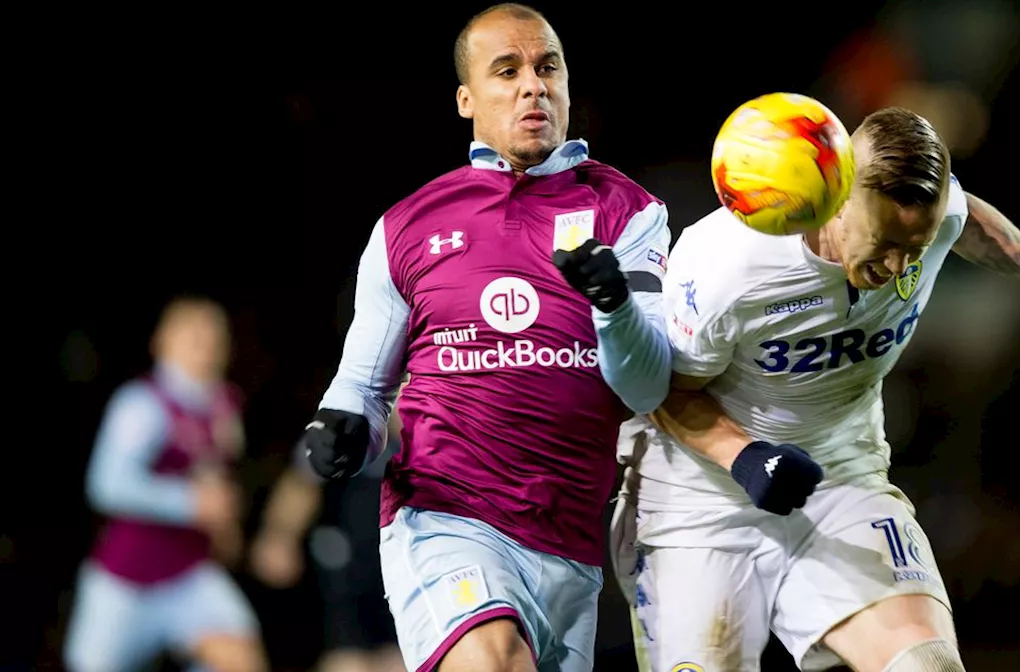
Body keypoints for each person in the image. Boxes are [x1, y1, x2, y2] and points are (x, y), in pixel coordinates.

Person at [612, 107, 1020, 672]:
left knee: (927, 665)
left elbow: (970, 220)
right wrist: (745, 458)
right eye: (885, 242)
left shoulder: (925, 221)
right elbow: (664, 392)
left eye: (914, 248)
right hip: (698, 502)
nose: (896, 266)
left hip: (840, 479)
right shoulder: (728, 264)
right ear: (838, 195)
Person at [298, 4, 673, 672]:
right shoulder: (407, 226)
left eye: (546, 67)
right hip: (446, 517)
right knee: (494, 660)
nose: (533, 85)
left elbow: (646, 387)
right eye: (508, 71)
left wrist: (614, 302)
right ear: (467, 99)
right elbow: (361, 388)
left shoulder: (629, 212)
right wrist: (346, 431)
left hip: (570, 543)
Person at [64, 296, 268, 672]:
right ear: (163, 342)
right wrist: (189, 504)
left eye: (214, 337)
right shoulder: (142, 403)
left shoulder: (224, 404)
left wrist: (224, 525)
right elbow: (106, 484)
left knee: (241, 659)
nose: (205, 346)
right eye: (193, 335)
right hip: (127, 579)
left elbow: (217, 476)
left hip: (187, 573)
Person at [249, 379, 409, 672]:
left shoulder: (438, 436)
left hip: (403, 570)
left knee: (402, 662)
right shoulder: (344, 423)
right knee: (348, 663)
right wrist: (279, 537)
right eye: (403, 390)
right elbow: (301, 483)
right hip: (346, 567)